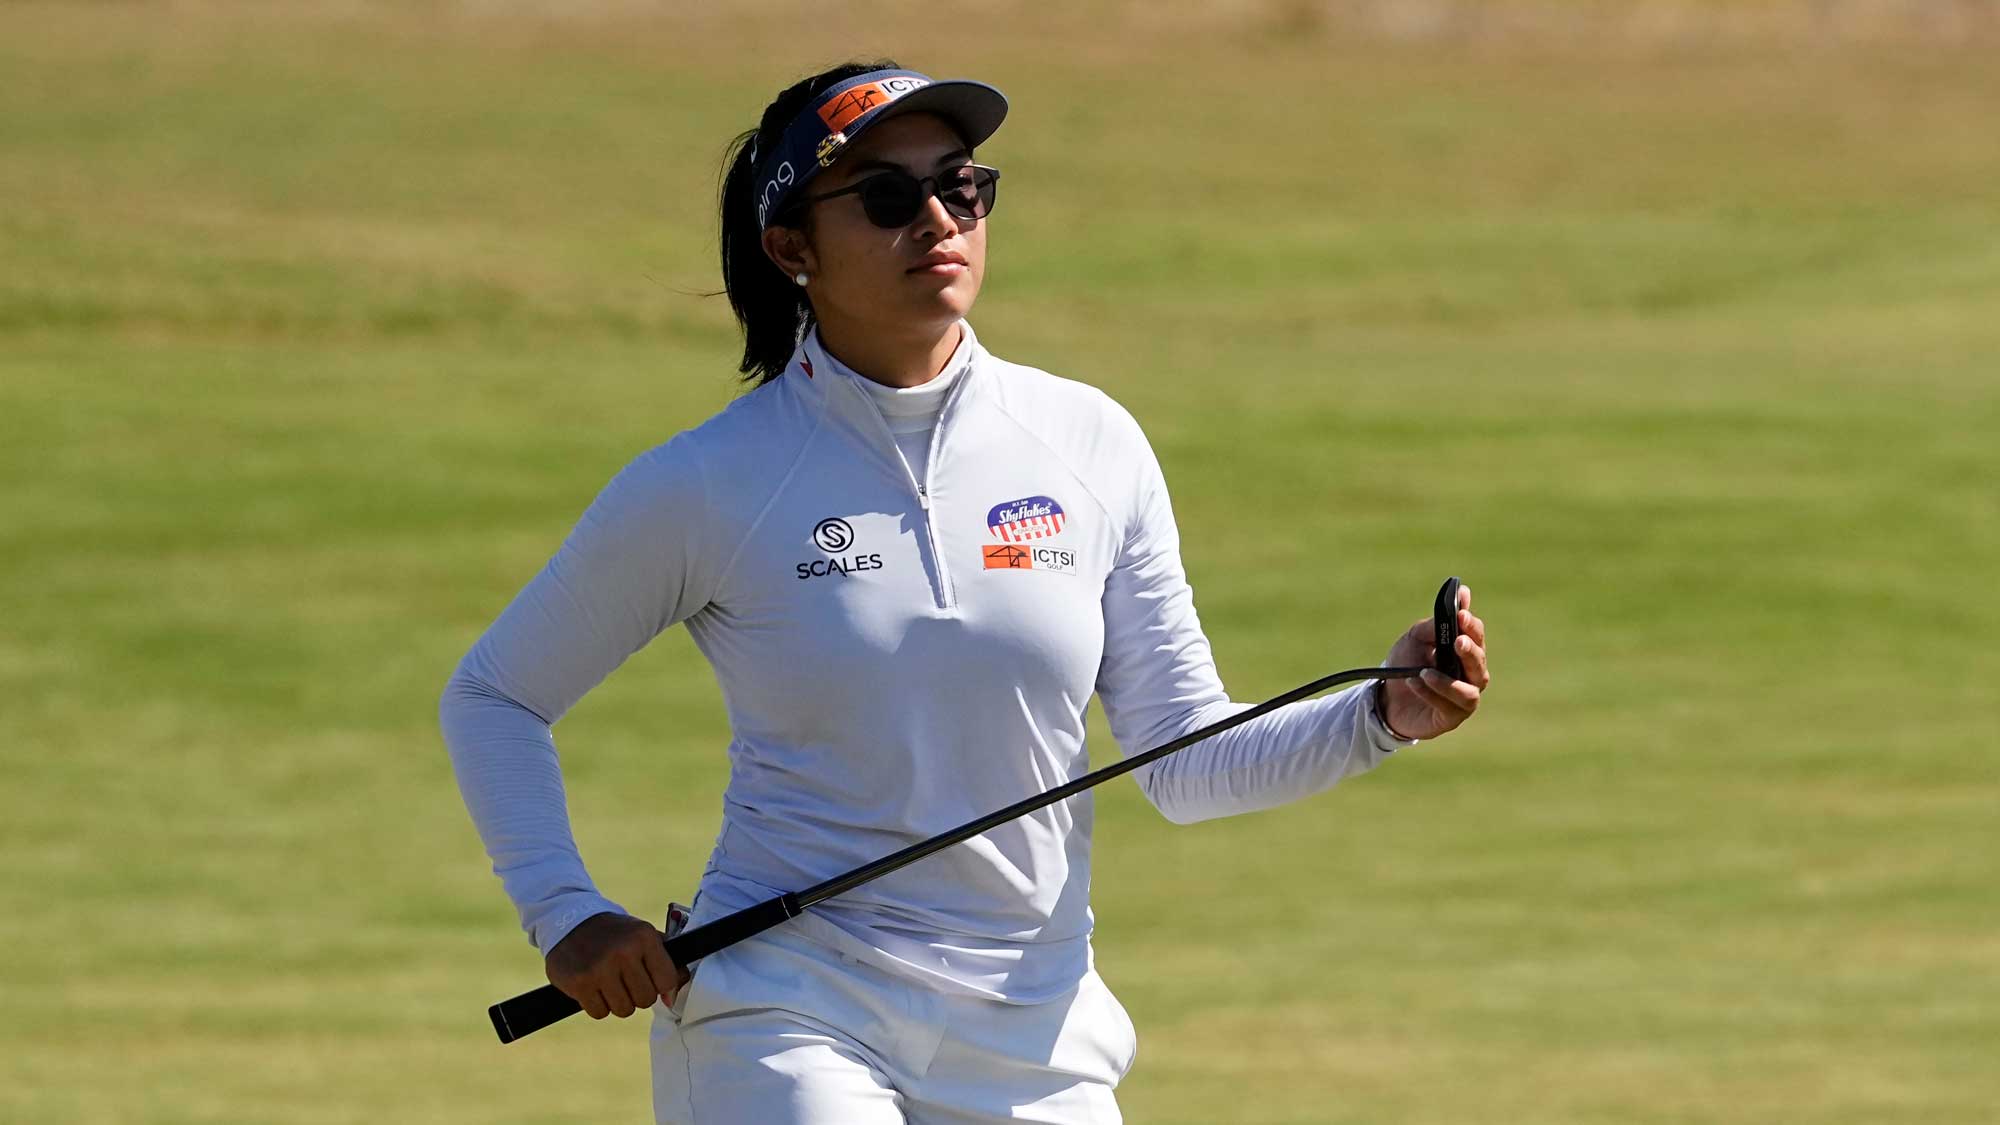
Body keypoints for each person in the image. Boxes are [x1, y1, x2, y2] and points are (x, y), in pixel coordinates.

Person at [439, 60, 1491, 1125]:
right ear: (791, 248)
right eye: (887, 200)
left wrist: (1380, 717)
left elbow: (1184, 758)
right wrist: (566, 916)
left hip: (1035, 1029)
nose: (938, 219)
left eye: (962, 187)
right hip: (789, 1006)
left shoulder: (1087, 442)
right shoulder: (708, 483)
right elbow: (495, 696)